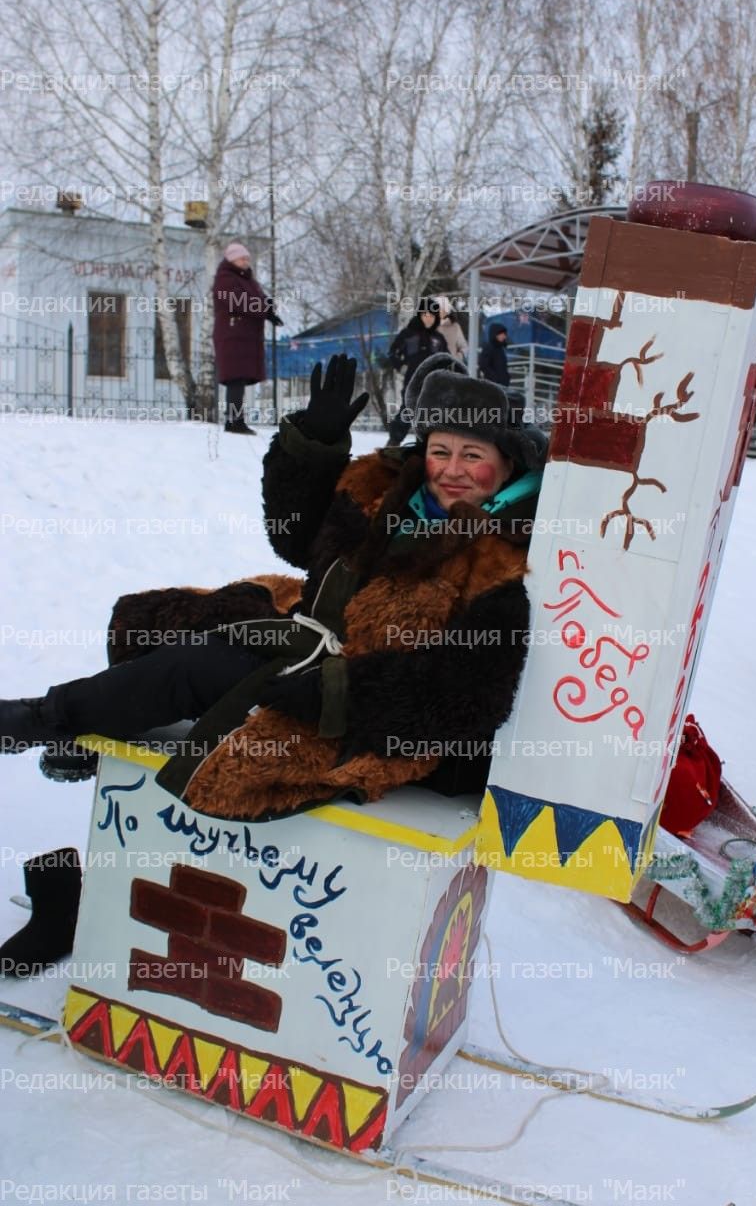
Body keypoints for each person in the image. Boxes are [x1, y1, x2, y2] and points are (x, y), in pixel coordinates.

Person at [0, 355, 546, 823]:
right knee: (153, 618)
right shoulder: (389, 494)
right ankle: (94, 737)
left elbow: (467, 697)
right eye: (440, 450)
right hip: (312, 628)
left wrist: (330, 695)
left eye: (472, 456)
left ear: (506, 465)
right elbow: (299, 539)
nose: (452, 470)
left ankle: (40, 719)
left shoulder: (503, 560)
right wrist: (315, 448)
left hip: (366, 697)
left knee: (207, 665)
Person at [213, 241, 282, 436]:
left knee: (240, 379)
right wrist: (264, 309)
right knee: (235, 379)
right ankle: (234, 421)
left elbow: (256, 300)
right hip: (232, 337)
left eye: (247, 258)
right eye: (242, 258)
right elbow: (238, 302)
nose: (246, 261)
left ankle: (237, 419)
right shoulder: (225, 279)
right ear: (232, 259)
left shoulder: (247, 280)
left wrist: (269, 312)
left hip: (245, 337)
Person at [387, 297, 447, 444]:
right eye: (425, 315)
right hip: (412, 382)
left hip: (434, 385)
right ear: (419, 315)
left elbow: (447, 359)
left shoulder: (438, 338)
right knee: (407, 411)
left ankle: (423, 448)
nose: (429, 319)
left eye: (432, 316)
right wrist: (401, 366)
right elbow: (392, 353)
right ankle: (393, 444)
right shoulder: (408, 333)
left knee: (428, 416)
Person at [478, 321, 511, 388]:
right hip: (493, 386)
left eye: (505, 334)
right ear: (495, 334)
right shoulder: (489, 347)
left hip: (502, 385)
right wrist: (494, 379)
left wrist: (507, 378)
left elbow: (502, 367)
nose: (504, 336)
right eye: (502, 334)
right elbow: (483, 364)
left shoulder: (500, 349)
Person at [436, 296, 468, 364]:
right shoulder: (428, 326)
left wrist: (458, 357)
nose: (440, 311)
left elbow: (464, 346)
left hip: (451, 366)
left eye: (442, 308)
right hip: (432, 366)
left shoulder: (455, 326)